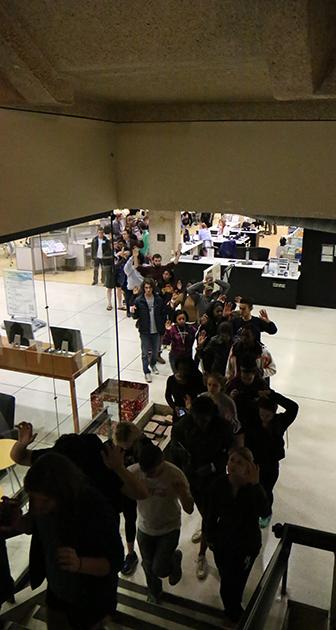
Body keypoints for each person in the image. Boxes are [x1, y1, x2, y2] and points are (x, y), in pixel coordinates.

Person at [23, 453, 124, 630]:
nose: (36, 508)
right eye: (31, 499)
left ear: (62, 494)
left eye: (44, 501)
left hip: (88, 600)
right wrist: (15, 521)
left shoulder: (96, 510)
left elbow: (114, 562)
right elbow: (36, 525)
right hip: (56, 591)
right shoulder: (43, 504)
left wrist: (79, 564)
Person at [10, 423, 149, 514]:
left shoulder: (58, 460)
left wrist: (22, 443)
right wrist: (119, 468)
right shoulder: (103, 469)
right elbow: (140, 493)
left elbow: (19, 457)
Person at [171, 396, 234, 581]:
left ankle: (202, 554)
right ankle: (206, 530)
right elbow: (175, 451)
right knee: (206, 513)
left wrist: (213, 466)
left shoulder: (223, 427)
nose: (201, 423)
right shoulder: (182, 426)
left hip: (216, 479)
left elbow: (229, 452)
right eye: (197, 419)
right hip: (193, 479)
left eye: (204, 420)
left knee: (209, 516)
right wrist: (183, 470)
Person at [205, 447, 269, 624]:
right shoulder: (219, 484)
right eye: (232, 460)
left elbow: (265, 512)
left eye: (239, 462)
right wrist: (210, 537)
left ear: (248, 467)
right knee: (227, 578)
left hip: (246, 544)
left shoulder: (252, 488)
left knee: (238, 578)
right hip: (223, 541)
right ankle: (231, 608)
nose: (233, 464)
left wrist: (256, 485)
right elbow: (211, 514)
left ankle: (233, 609)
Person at [128, 443, 194, 604]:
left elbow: (190, 509)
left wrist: (183, 493)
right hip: (144, 526)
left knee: (159, 569)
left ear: (162, 462)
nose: (148, 475)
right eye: (146, 472)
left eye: (153, 472)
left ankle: (174, 560)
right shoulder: (134, 471)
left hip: (169, 528)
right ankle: (155, 592)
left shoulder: (175, 475)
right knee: (148, 565)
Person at [245, 390, 299, 527]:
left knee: (266, 490)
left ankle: (265, 513)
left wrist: (272, 395)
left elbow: (293, 407)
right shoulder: (253, 420)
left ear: (274, 412)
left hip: (270, 464)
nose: (263, 417)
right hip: (253, 463)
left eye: (267, 414)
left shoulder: (280, 422)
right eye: (261, 413)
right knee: (251, 489)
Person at [113, 422, 152, 576]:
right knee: (123, 518)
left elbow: (149, 466)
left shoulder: (144, 444)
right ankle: (126, 553)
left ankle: (136, 552)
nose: (124, 448)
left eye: (127, 444)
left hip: (138, 487)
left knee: (138, 518)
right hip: (119, 489)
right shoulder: (113, 447)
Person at [131, 278, 167, 383]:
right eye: (146, 287)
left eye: (150, 287)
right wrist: (133, 311)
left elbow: (163, 313)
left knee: (155, 351)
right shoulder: (139, 300)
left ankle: (153, 364)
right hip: (145, 330)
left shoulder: (158, 299)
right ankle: (146, 371)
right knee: (145, 353)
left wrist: (163, 325)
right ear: (143, 288)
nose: (148, 290)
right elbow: (135, 316)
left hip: (156, 329)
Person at [200, 372, 243, 445]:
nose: (211, 388)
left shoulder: (228, 402)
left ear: (221, 386)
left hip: (222, 436)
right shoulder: (202, 397)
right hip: (205, 435)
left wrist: (229, 420)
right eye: (209, 384)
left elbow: (237, 426)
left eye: (215, 386)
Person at [226, 359, 269, 432]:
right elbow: (225, 400)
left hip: (255, 418)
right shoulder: (234, 383)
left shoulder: (261, 385)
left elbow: (269, 404)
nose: (246, 381)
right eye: (244, 378)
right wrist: (230, 397)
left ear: (254, 375)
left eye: (249, 379)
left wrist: (262, 399)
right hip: (238, 417)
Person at [165, 356, 206, 423]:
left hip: (193, 414)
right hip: (179, 412)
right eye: (180, 369)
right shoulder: (171, 380)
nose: (183, 372)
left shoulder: (194, 380)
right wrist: (174, 407)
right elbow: (167, 396)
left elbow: (204, 393)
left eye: (185, 369)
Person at [123, 246, 144, 317]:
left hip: (141, 290)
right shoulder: (130, 269)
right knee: (129, 302)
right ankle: (129, 312)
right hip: (131, 289)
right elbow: (126, 267)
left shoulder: (143, 268)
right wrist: (133, 256)